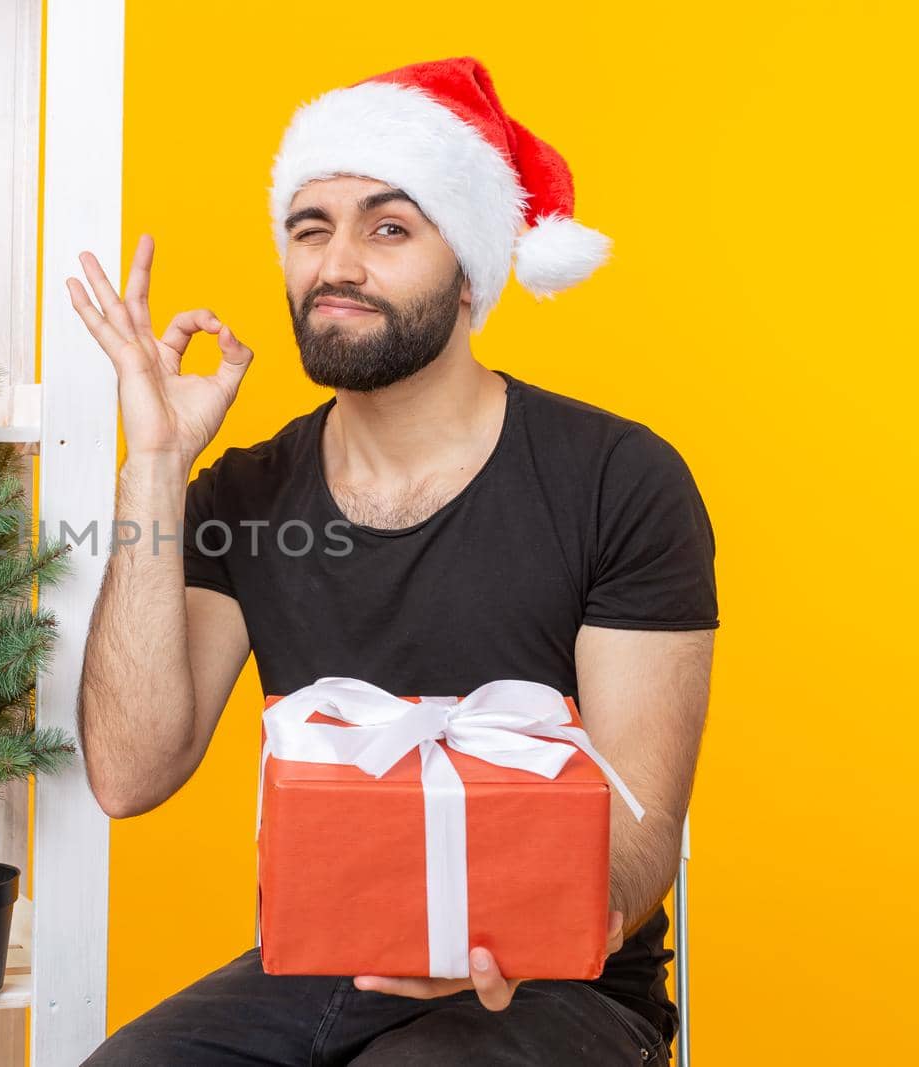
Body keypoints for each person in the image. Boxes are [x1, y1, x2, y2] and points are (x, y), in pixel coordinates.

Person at [66, 57, 716, 1066]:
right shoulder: (243, 494)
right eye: (309, 226)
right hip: (326, 959)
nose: (338, 265)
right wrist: (154, 464)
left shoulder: (618, 479)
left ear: (470, 275)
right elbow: (129, 772)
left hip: (562, 973)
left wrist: (515, 929)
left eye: (389, 227)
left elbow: (639, 828)